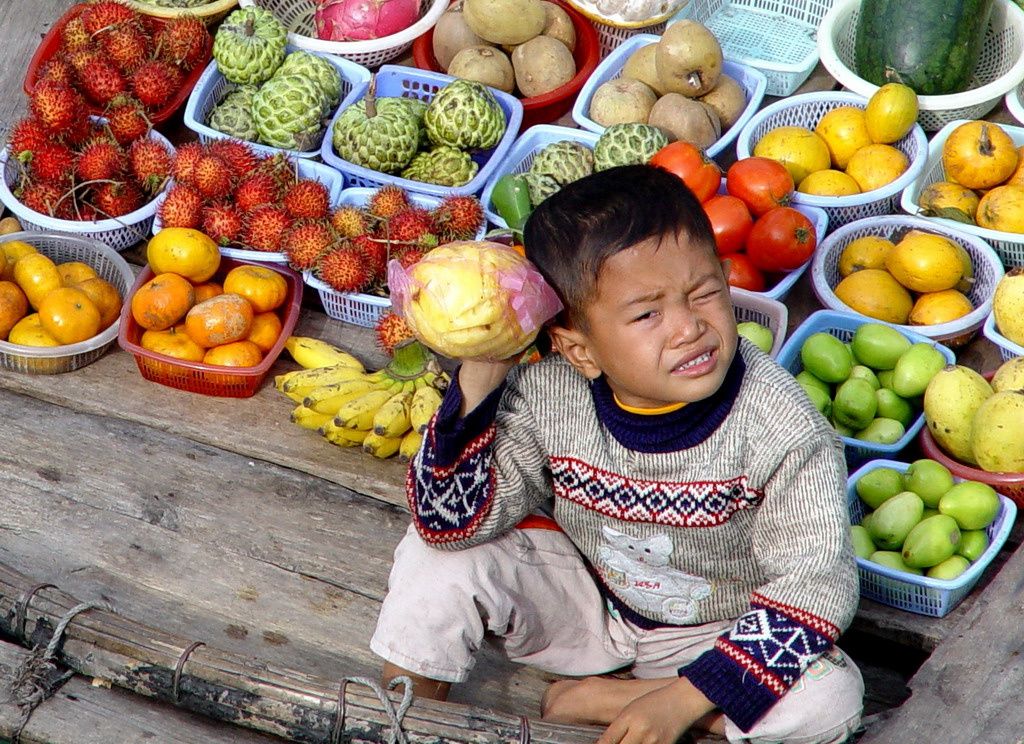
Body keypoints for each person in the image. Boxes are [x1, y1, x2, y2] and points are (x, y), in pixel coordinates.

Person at [370, 164, 864, 744]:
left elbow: (816, 583)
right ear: (579, 350)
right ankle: (402, 723)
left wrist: (682, 699)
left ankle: (615, 698)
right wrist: (486, 365)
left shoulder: (780, 425)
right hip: (588, 604)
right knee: (435, 560)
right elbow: (447, 526)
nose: (688, 328)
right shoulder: (548, 393)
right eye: (647, 314)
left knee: (830, 700)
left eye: (704, 292)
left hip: (716, 634)